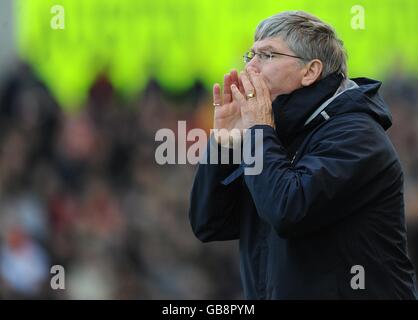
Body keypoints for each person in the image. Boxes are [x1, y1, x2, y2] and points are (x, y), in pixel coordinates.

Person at [188, 10, 418, 299]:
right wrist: (225, 144)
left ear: (310, 72)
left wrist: (259, 130)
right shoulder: (275, 132)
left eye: (268, 56)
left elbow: (287, 210)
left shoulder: (357, 136)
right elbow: (209, 223)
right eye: (252, 56)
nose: (251, 68)